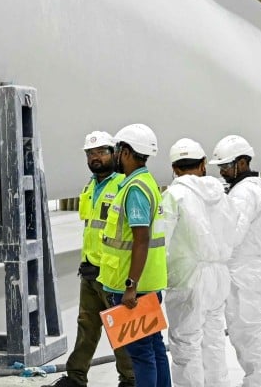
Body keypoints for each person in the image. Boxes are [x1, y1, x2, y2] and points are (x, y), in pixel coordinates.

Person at [50, 132, 135, 387]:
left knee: (120, 330)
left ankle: (130, 380)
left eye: (101, 152)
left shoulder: (122, 185)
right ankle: (76, 378)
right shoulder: (90, 186)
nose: (95, 157)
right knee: (86, 326)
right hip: (89, 270)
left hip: (113, 273)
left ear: (115, 153)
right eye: (90, 153)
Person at [161, 138, 240, 387]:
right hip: (218, 275)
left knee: (186, 346)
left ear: (174, 168)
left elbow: (161, 241)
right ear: (203, 164)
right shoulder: (220, 194)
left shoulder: (173, 195)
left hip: (188, 278)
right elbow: (233, 231)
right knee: (214, 339)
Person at [97, 124, 170, 387]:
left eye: (116, 149)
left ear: (126, 151)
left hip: (133, 287)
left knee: (141, 354)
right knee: (154, 348)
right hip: (147, 282)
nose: (114, 155)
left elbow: (141, 239)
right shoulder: (144, 182)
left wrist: (130, 285)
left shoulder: (136, 189)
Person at [208, 135, 261, 387]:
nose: (223, 171)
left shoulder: (242, 193)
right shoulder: (259, 186)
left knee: (246, 329)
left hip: (243, 269)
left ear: (241, 162)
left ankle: (259, 382)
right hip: (255, 267)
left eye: (226, 166)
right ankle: (258, 380)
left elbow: (233, 234)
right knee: (249, 326)